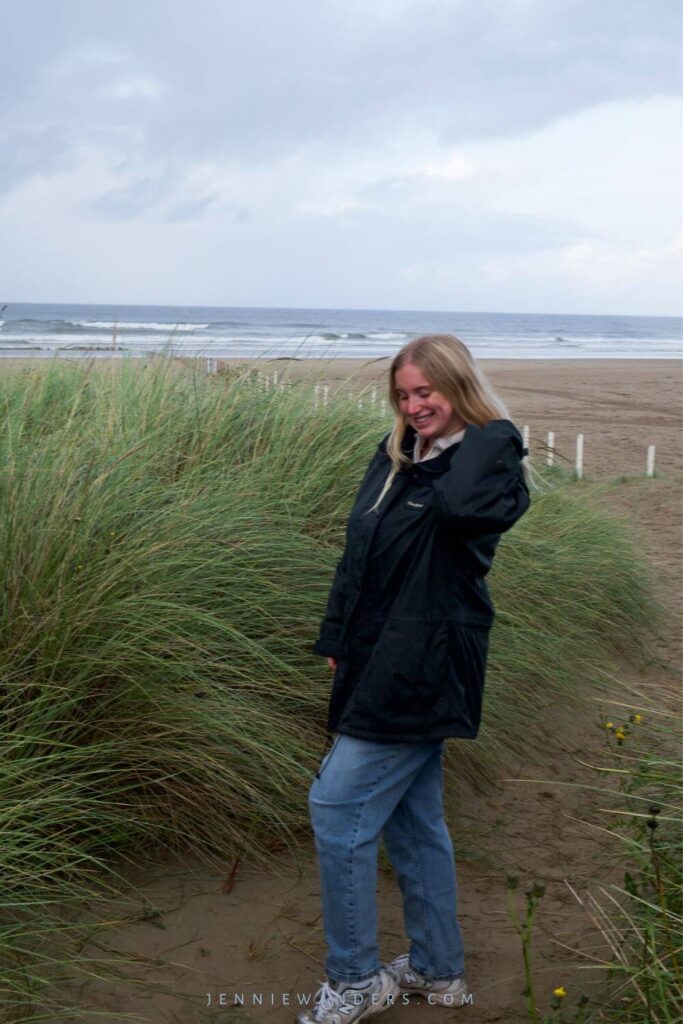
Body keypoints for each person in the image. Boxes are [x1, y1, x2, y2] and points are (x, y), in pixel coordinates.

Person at [298, 335, 530, 1024]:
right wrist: (338, 640)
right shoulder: (396, 457)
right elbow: (357, 554)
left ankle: (354, 979)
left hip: (424, 667)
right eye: (402, 395)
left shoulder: (488, 463)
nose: (413, 406)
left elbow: (460, 514)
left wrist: (493, 427)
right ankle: (436, 968)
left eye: (426, 392)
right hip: (372, 659)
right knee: (413, 822)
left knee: (336, 810)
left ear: (457, 386)